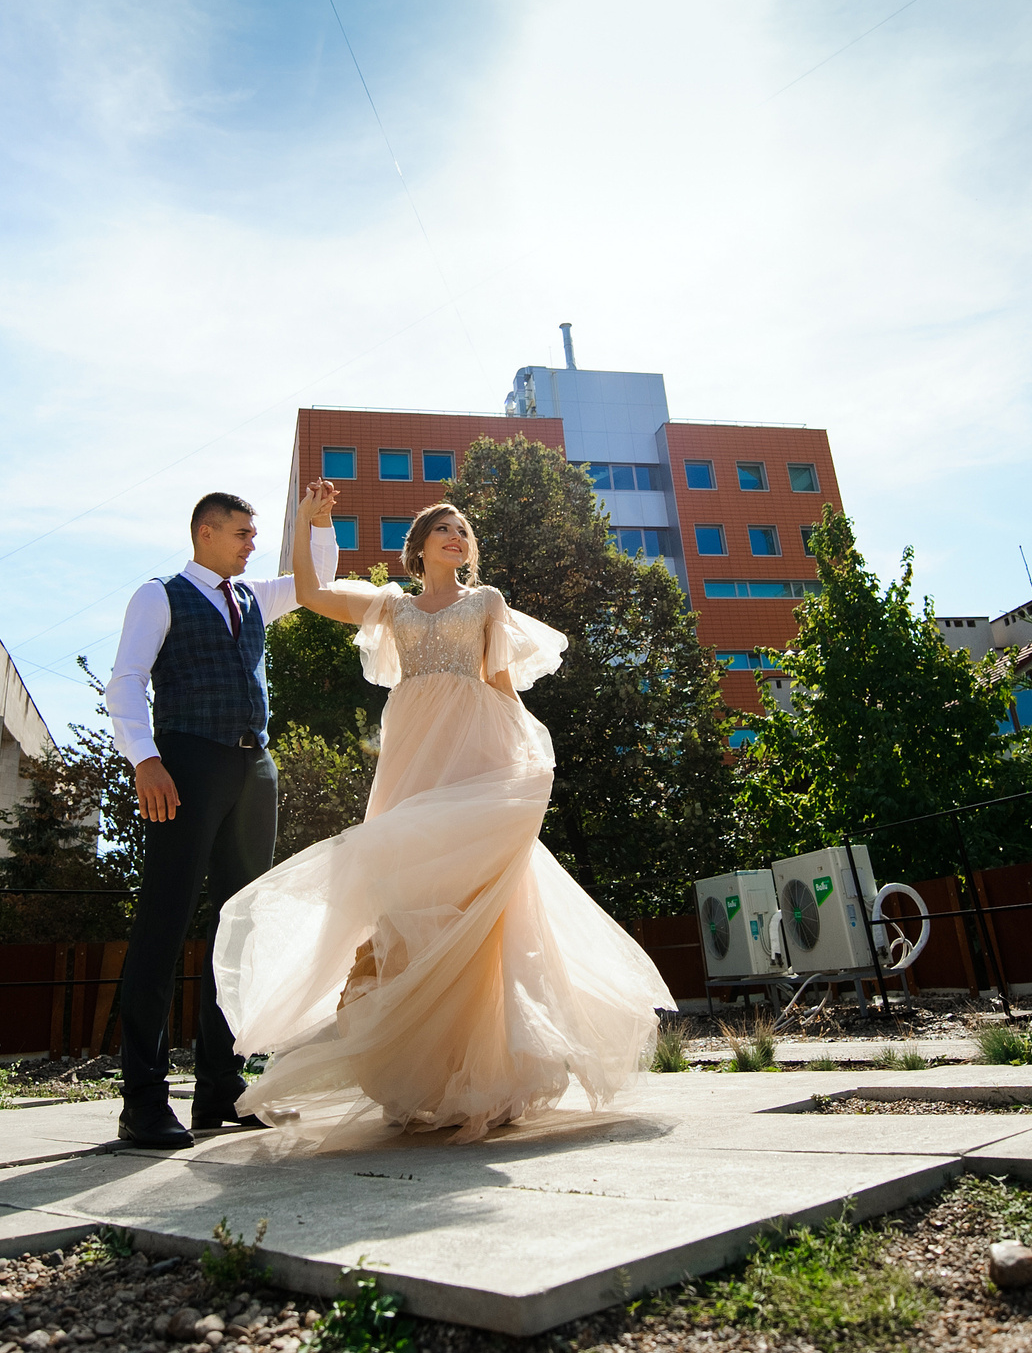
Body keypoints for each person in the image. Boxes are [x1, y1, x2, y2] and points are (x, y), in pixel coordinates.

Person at [211, 499, 675, 1144]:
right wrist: (313, 523)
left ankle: (483, 1073)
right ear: (420, 546)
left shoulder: (486, 602)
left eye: (463, 531)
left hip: (476, 751)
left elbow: (501, 683)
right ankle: (418, 1076)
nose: (457, 537)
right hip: (411, 761)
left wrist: (529, 753)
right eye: (443, 530)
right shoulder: (391, 607)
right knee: (407, 897)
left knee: (472, 899)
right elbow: (312, 592)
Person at [102, 482, 339, 1148]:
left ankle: (220, 1088)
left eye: (255, 534)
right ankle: (142, 1102)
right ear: (205, 533)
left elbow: (317, 582)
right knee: (164, 922)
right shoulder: (159, 595)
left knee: (238, 929)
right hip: (185, 764)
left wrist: (320, 522)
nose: (252, 544)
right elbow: (126, 679)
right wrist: (145, 759)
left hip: (253, 769)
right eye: (242, 533)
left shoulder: (253, 596)